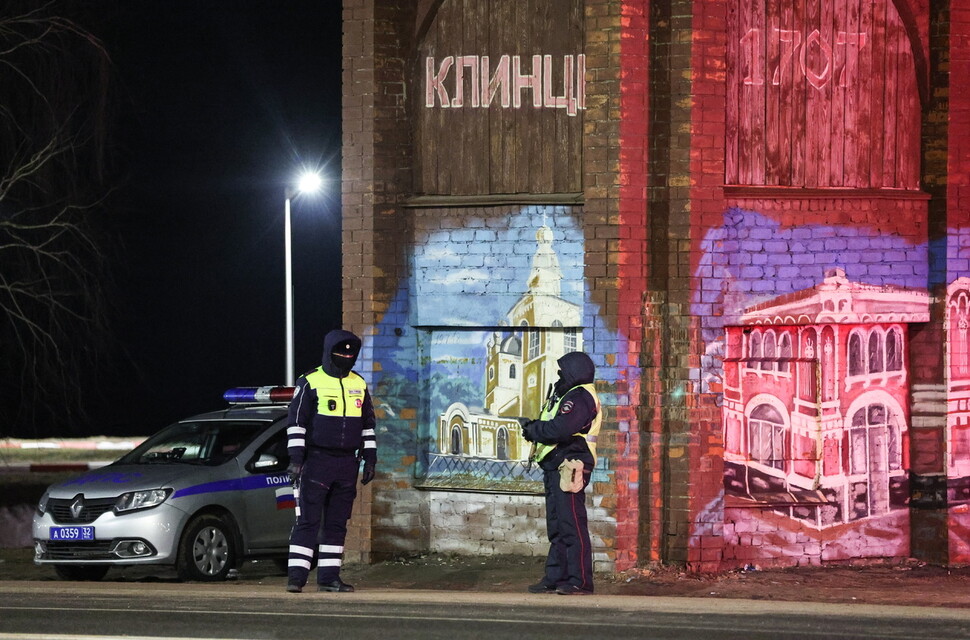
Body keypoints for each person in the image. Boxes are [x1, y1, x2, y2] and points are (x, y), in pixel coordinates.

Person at [285, 329, 377, 593]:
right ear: (328, 352)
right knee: (308, 522)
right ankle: (296, 578)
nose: (347, 357)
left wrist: (370, 458)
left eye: (351, 353)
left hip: (347, 463)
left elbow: (368, 425)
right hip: (317, 461)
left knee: (337, 524)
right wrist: (295, 460)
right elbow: (297, 424)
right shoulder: (310, 381)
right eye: (341, 352)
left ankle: (328, 578)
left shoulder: (358, 383)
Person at [520, 351, 601, 596]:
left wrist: (534, 429)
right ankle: (556, 576)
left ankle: (580, 581)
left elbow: (561, 428)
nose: (559, 374)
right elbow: (555, 424)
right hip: (556, 463)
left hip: (571, 463)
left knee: (572, 523)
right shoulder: (567, 393)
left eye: (563, 370)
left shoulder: (580, 396)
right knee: (557, 525)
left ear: (573, 371)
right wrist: (536, 428)